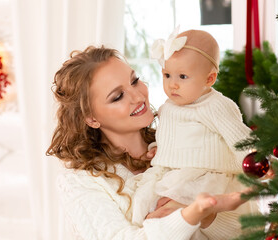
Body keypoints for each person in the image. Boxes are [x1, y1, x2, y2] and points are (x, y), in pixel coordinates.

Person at [47, 45, 250, 240]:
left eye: (135, 81)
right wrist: (191, 214)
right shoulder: (80, 182)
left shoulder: (186, 144)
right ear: (91, 118)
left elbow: (248, 227)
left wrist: (208, 216)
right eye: (118, 96)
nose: (138, 96)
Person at [129, 27, 258, 237]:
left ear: (209, 79)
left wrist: (258, 163)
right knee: (143, 209)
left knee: (161, 216)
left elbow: (240, 138)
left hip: (204, 177)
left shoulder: (216, 105)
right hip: (173, 175)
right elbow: (174, 138)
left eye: (182, 76)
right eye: (167, 75)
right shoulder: (168, 107)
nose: (172, 84)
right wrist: (157, 149)